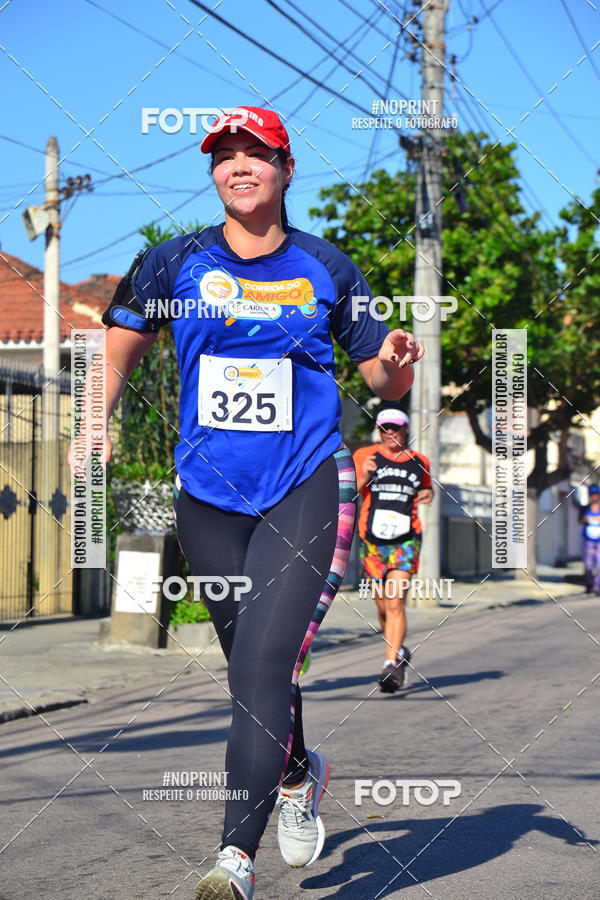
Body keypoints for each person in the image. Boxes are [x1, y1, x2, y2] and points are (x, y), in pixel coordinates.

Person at [90, 106, 423, 899]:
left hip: (307, 483)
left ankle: (232, 860)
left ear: (285, 168)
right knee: (252, 669)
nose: (238, 167)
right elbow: (116, 351)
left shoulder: (326, 267)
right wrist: (90, 425)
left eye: (255, 154)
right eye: (224, 157)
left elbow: (380, 373)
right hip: (207, 495)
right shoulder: (172, 264)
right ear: (214, 174)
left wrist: (400, 366)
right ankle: (301, 771)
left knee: (265, 665)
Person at [353, 410, 433, 694]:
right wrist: (365, 474)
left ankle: (390, 665)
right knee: (383, 607)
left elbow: (426, 490)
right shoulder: (365, 455)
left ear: (405, 430)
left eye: (396, 429)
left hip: (406, 540)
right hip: (373, 541)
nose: (390, 434)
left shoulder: (419, 461)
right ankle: (398, 649)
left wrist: (428, 495)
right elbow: (350, 493)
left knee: (396, 602)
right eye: (385, 429)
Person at [580, 485, 600, 595]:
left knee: (599, 564)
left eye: (596, 494)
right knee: (588, 565)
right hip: (588, 541)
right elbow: (579, 521)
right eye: (592, 495)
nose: (594, 497)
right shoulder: (585, 509)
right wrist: (585, 519)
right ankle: (589, 585)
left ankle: (597, 587)